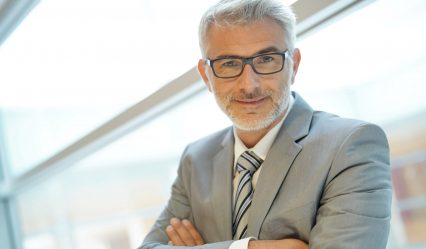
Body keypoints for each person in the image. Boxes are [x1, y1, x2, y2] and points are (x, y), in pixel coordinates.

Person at [139, 0, 392, 248]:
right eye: (229, 63)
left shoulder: (351, 146)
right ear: (206, 75)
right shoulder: (196, 160)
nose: (249, 85)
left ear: (294, 64)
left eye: (267, 59)